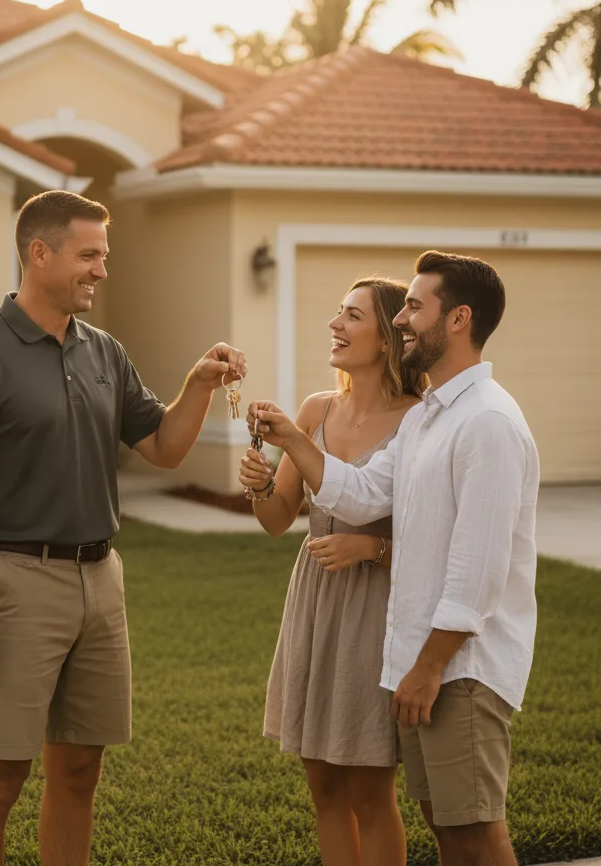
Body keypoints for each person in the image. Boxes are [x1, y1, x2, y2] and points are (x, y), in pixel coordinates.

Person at [0, 189, 246, 866]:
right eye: (89, 255)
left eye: (104, 255)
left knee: (79, 771)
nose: (102, 270)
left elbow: (161, 446)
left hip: (101, 580)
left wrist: (198, 384)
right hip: (14, 582)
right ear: (40, 254)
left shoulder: (104, 352)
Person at [247, 251, 539, 866]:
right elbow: (359, 493)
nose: (403, 318)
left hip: (461, 665)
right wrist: (293, 439)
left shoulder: (486, 423)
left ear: (457, 319)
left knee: (478, 836)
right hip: (423, 662)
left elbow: (478, 568)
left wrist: (428, 666)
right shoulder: (431, 419)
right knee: (451, 834)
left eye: (413, 306)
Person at [239, 276, 424, 866]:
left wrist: (370, 551)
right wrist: (261, 484)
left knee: (369, 787)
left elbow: (433, 538)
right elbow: (276, 520)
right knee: (322, 784)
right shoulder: (318, 409)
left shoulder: (419, 422)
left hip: (378, 608)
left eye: (351, 316)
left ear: (389, 337)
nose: (335, 325)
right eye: (337, 312)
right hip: (315, 600)